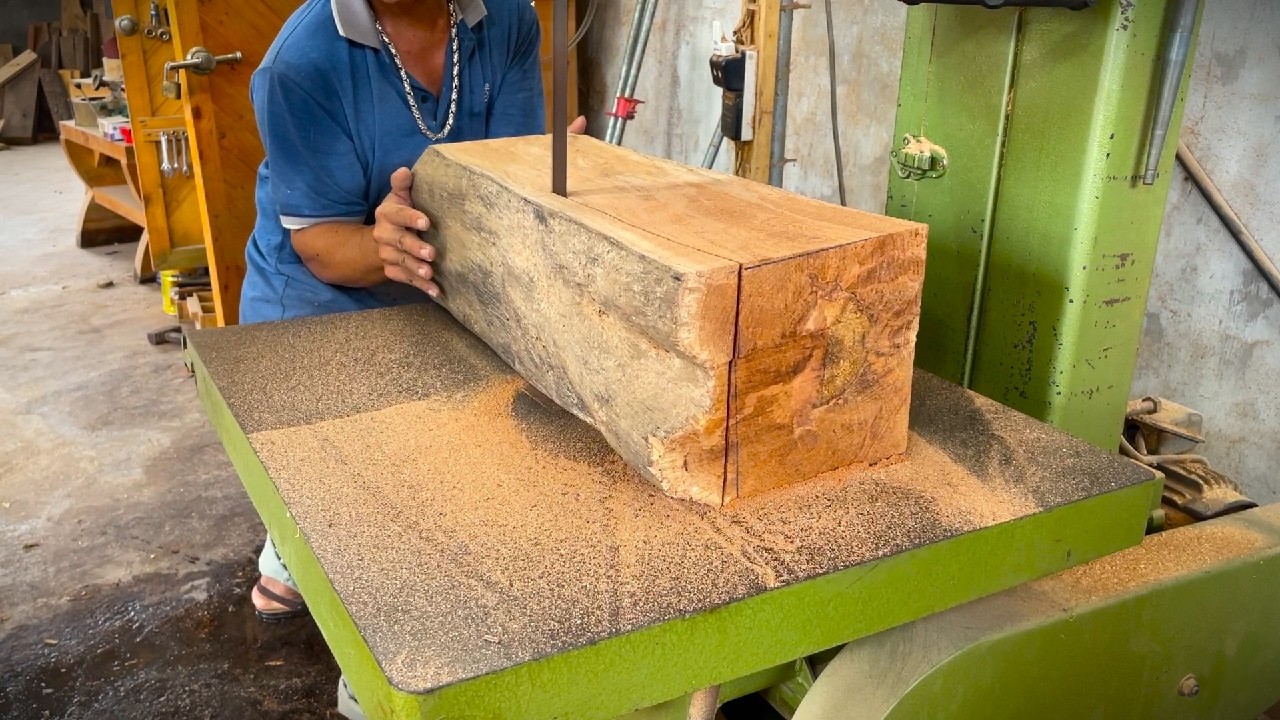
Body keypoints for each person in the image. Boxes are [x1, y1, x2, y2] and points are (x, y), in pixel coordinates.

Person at [239, 0, 583, 715]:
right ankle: (372, 674)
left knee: (454, 474)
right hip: (319, 297)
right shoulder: (298, 67)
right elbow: (323, 244)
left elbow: (503, 170)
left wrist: (552, 182)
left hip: (434, 276)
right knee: (360, 508)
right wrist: (386, 246)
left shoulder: (507, 19)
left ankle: (294, 555)